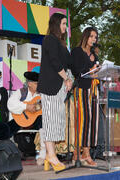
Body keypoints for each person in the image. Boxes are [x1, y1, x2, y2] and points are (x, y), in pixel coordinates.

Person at [37, 13, 72, 172]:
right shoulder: (50, 39)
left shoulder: (62, 43)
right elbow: (54, 61)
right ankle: (51, 155)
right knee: (50, 121)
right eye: (63, 23)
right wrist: (66, 78)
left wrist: (70, 79)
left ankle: (50, 156)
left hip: (59, 89)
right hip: (50, 87)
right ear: (56, 24)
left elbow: (67, 64)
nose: (65, 27)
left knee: (56, 120)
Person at [71, 27, 100, 166]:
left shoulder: (95, 54)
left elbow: (96, 70)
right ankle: (77, 152)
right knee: (83, 120)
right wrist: (89, 70)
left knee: (93, 121)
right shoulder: (77, 51)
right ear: (85, 36)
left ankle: (86, 152)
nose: (94, 39)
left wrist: (98, 70)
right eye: (92, 36)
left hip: (94, 90)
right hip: (82, 88)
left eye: (95, 37)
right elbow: (75, 70)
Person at [7, 71, 45, 165]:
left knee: (45, 123)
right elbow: (10, 104)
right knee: (5, 129)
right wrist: (26, 107)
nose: (39, 85)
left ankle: (43, 155)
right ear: (29, 84)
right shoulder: (21, 92)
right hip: (19, 120)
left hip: (35, 121)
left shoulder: (42, 95)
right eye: (37, 83)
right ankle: (9, 153)